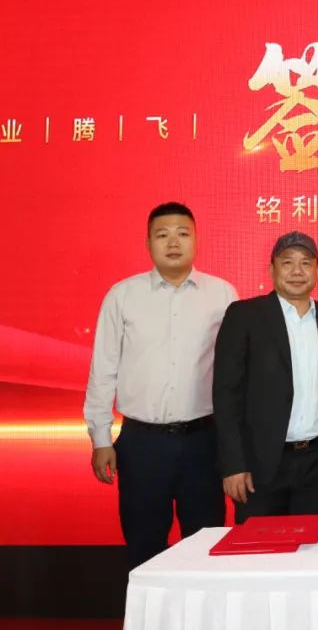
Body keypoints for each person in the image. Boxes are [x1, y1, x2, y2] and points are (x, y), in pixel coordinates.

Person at [84, 202, 237, 569]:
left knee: (205, 547)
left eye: (182, 233)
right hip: (142, 444)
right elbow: (103, 369)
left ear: (196, 240)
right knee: (143, 546)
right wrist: (101, 439)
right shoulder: (122, 296)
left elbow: (236, 374)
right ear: (148, 243)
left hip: (204, 442)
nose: (173, 242)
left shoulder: (222, 295)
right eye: (162, 234)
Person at [212, 231, 318, 523]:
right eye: (287, 263)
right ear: (271, 269)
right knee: (259, 548)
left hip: (316, 463)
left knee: (310, 546)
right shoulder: (244, 315)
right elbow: (226, 394)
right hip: (258, 466)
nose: (297, 271)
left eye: (306, 263)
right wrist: (233, 464)